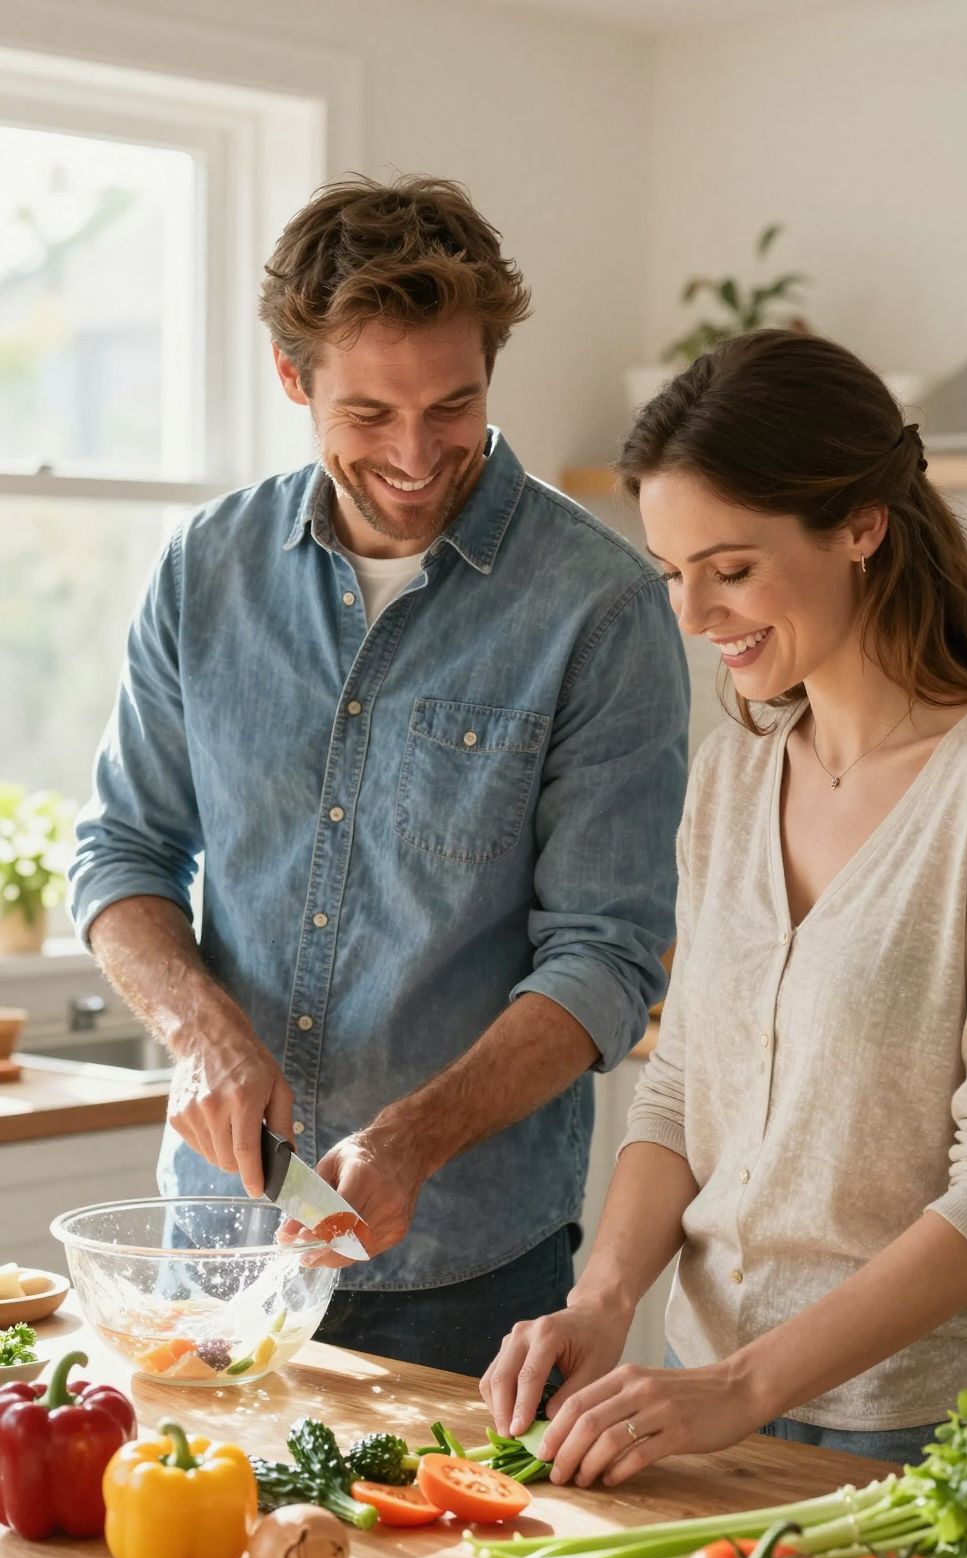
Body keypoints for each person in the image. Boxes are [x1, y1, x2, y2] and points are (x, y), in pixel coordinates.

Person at [69, 175, 689, 1377]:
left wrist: (416, 1135)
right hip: (215, 1247)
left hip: (467, 1273)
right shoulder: (207, 569)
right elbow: (124, 852)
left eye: (453, 405)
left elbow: (606, 954)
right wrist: (200, 1033)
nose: (415, 455)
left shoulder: (601, 608)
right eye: (369, 413)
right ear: (294, 380)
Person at [482, 327, 967, 1482]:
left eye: (730, 569)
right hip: (703, 1410)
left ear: (861, 525)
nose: (693, 613)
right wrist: (605, 1299)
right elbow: (681, 1087)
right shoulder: (735, 770)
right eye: (674, 574)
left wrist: (746, 1382)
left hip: (931, 1435)